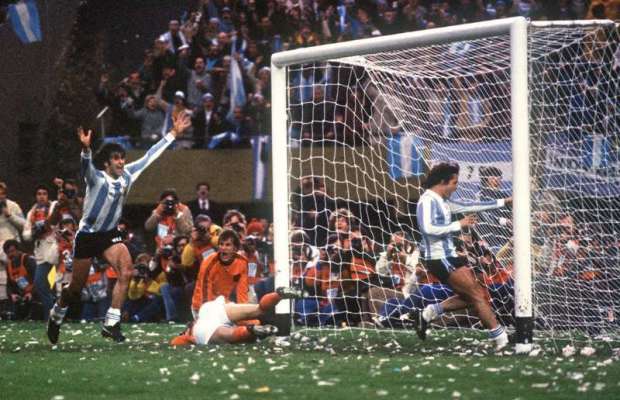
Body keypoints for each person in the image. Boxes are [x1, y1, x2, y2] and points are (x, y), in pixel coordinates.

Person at [46, 112, 192, 344]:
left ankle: (111, 323)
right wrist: (86, 149)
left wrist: (173, 133)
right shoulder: (96, 178)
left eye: (122, 158)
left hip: (110, 235)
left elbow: (150, 155)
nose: (121, 162)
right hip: (88, 236)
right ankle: (56, 314)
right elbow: (86, 167)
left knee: (126, 271)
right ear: (107, 163)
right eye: (116, 158)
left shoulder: (128, 175)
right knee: (74, 289)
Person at [410, 162, 512, 351]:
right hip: (439, 258)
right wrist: (460, 224)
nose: (456, 187)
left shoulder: (443, 201)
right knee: (477, 295)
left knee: (475, 295)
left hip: (449, 256)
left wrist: (505, 201)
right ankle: (501, 339)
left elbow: (472, 205)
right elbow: (427, 228)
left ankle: (429, 313)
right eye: (454, 183)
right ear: (443, 182)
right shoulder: (427, 200)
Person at [170, 287, 301, 346]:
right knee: (259, 309)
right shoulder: (206, 309)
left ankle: (251, 330)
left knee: (232, 335)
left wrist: (188, 338)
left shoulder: (195, 330)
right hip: (212, 308)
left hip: (203, 329)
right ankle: (278, 295)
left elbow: (177, 342)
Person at [191, 229, 249, 317]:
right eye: (221, 244)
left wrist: (244, 314)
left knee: (246, 320)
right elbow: (204, 293)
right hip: (201, 306)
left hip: (223, 304)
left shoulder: (242, 263)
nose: (223, 248)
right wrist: (207, 314)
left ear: (235, 248)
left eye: (228, 245)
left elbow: (242, 292)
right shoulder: (208, 263)